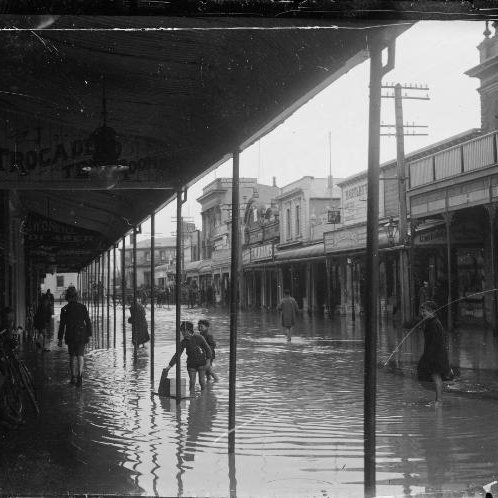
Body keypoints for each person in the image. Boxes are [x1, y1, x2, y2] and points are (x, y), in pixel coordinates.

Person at [417, 300, 453, 406]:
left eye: (426, 311)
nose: (423, 314)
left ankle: (439, 401)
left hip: (436, 355)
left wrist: (430, 356)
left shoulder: (435, 324)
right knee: (434, 376)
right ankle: (438, 399)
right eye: (422, 311)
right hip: (433, 354)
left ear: (433, 311)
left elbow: (437, 342)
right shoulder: (430, 322)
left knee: (436, 377)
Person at [57, 286, 92, 387]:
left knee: (72, 356)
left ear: (67, 297)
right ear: (76, 296)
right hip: (81, 334)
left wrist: (60, 338)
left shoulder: (64, 309)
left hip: (70, 334)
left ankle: (73, 377)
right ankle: (80, 376)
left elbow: (62, 325)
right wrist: (89, 334)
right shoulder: (82, 307)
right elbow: (88, 322)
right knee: (80, 355)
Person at [164, 321, 212, 392]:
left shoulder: (199, 337)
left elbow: (208, 350)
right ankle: (192, 397)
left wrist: (208, 362)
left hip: (201, 363)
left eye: (184, 331)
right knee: (192, 382)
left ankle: (203, 397)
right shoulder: (183, 342)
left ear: (189, 330)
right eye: (182, 332)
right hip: (191, 364)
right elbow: (177, 355)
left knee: (201, 381)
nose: (183, 334)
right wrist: (169, 366)